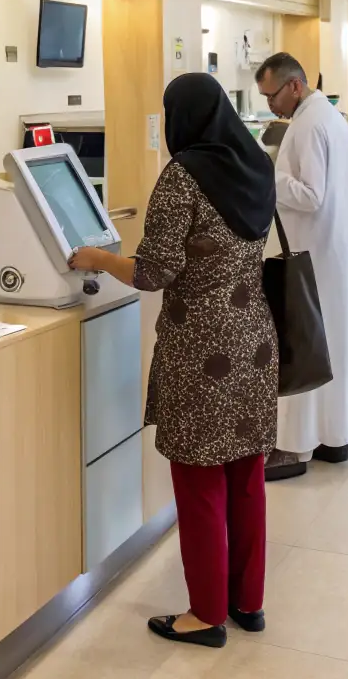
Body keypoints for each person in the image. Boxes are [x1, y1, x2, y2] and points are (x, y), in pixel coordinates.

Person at [69, 73, 277, 648]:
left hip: (200, 350)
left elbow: (153, 273)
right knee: (247, 478)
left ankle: (206, 614)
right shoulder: (257, 166)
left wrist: (96, 258)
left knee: (199, 481)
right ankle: (247, 602)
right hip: (255, 343)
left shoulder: (183, 176)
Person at [254, 53, 348, 480]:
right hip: (331, 254)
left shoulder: (306, 124)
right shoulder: (327, 116)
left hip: (313, 255)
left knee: (301, 344)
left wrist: (265, 171)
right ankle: (333, 437)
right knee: (332, 345)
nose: (270, 106)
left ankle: (294, 447)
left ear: (295, 86)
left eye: (272, 95)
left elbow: (309, 195)